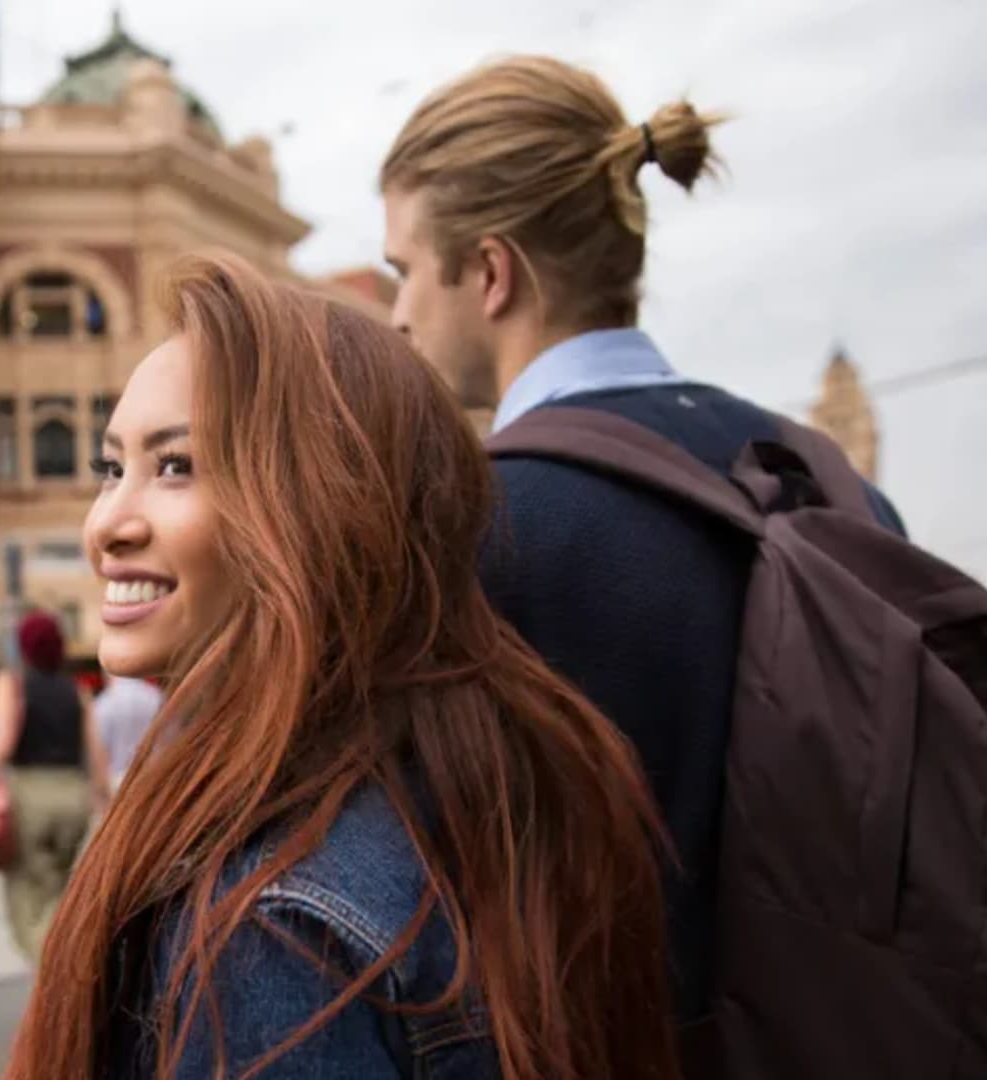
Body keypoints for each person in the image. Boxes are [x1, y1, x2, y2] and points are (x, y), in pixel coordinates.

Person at [4, 253, 675, 1078]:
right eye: (113, 468)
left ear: (324, 506)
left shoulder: (273, 928)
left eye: (176, 465)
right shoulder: (499, 791)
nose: (106, 523)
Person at [377, 55, 904, 1026]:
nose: (398, 312)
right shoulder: (833, 486)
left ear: (490, 272)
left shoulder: (477, 530)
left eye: (403, 270)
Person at [0, 612, 109, 960]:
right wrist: (103, 800)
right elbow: (95, 751)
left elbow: (2, 741)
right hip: (73, 794)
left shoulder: (14, 683)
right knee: (63, 894)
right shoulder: (76, 689)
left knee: (30, 899)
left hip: (30, 796)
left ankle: (54, 988)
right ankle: (72, 968)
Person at [91, 674, 164, 794]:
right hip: (152, 778)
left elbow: (100, 749)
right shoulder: (156, 698)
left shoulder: (104, 702)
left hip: (116, 781)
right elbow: (168, 741)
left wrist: (100, 787)